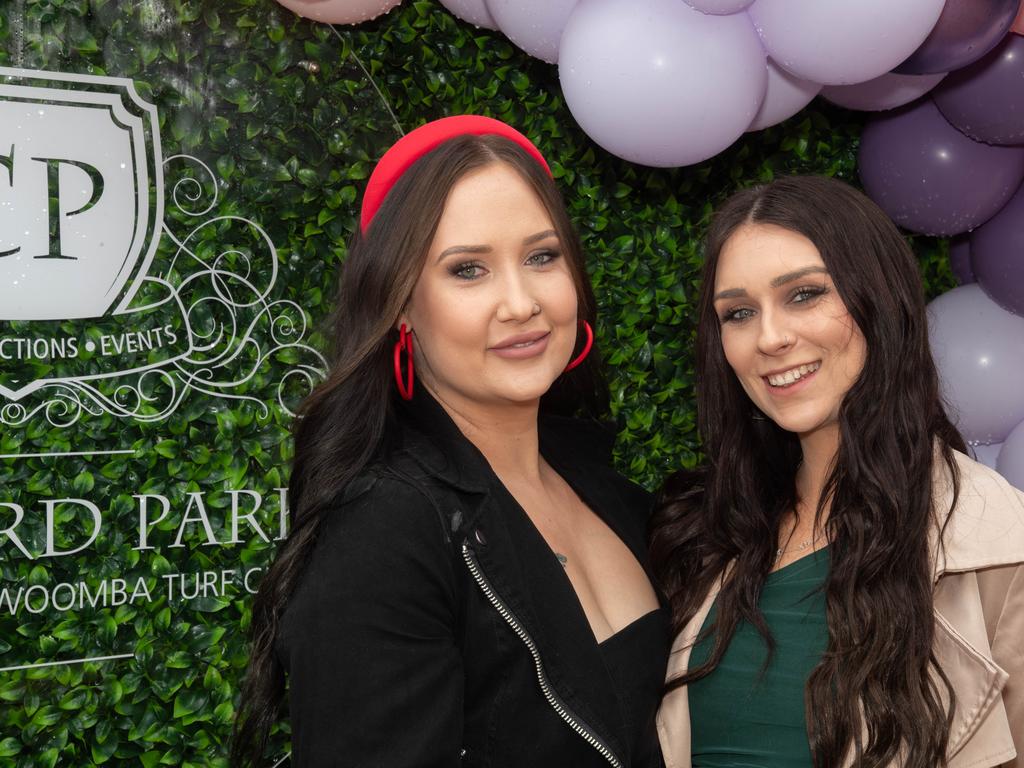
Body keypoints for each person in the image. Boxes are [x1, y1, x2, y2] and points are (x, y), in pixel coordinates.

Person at [231, 115, 669, 768]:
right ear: (401, 304)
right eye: (468, 270)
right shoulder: (387, 529)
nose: (521, 303)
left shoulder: (611, 493)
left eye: (542, 257)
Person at [649, 175, 1024, 768]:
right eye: (739, 312)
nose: (770, 337)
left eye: (803, 294)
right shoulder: (707, 532)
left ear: (880, 299)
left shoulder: (1000, 548)